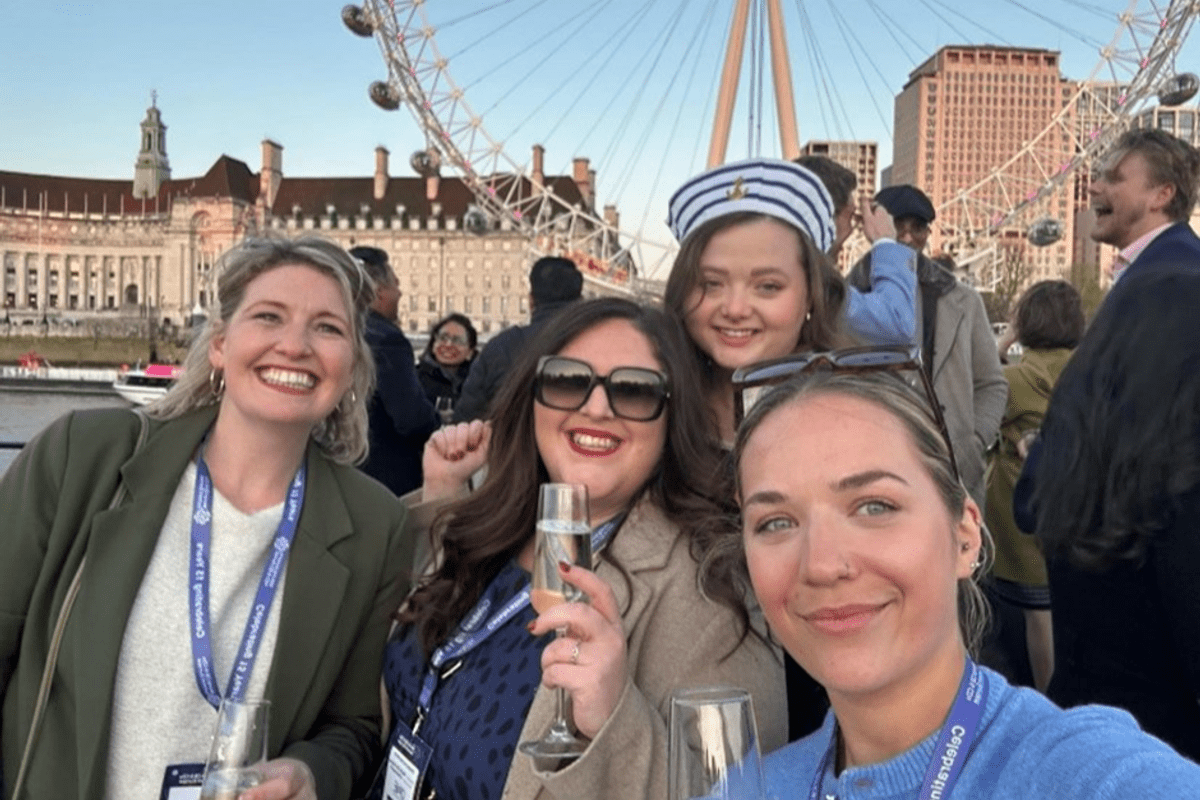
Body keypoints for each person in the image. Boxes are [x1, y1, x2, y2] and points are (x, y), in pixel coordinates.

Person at [1, 236, 414, 800]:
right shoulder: (81, 457)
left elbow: (354, 728)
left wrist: (309, 774)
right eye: (268, 316)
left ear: (352, 369)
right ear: (220, 344)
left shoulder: (376, 527)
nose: (295, 345)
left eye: (327, 328)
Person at [374, 298, 785, 800]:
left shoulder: (714, 591)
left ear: (673, 417)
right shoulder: (491, 525)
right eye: (567, 381)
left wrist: (616, 720)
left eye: (634, 390)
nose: (596, 407)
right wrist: (443, 495)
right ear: (533, 398)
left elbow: (733, 789)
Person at [730, 368, 1200, 799]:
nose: (821, 564)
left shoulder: (1078, 771)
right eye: (775, 522)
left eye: (874, 506)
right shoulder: (749, 789)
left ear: (965, 537)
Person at [1027, 265, 1200, 761]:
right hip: (1166, 752)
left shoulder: (1079, 466)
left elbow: (1025, 509)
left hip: (1081, 727)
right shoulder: (1179, 493)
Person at [850, 184, 1006, 510]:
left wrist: (972, 443)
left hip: (953, 472)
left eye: (918, 228)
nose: (907, 237)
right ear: (876, 227)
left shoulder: (964, 300)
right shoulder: (847, 297)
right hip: (869, 467)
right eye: (898, 226)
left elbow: (991, 383)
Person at [982, 280, 1083, 692]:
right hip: (1073, 500)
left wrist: (1006, 339)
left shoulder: (1017, 378)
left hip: (1018, 502)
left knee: (1033, 617)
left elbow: (981, 386)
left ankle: (1046, 699)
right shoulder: (1085, 367)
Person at [796, 154, 920, 346]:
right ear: (826, 219)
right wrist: (884, 240)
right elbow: (897, 324)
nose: (853, 229)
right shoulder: (815, 288)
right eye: (851, 217)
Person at [349, 245, 439, 497]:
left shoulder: (337, 331)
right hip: (385, 477)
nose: (399, 293)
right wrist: (439, 425)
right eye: (396, 284)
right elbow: (411, 418)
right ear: (379, 292)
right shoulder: (387, 339)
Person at [454, 256, 583, 422]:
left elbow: (467, 416)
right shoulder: (598, 345)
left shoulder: (500, 347)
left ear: (531, 300)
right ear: (581, 301)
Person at [1087, 128, 1200, 286]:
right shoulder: (1152, 268)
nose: (1093, 188)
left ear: (1162, 196)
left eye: (1113, 179)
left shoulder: (1178, 277)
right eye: (1099, 177)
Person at [415, 312, 477, 414]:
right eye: (443, 338)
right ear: (433, 345)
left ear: (470, 352)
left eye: (458, 340)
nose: (448, 344)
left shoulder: (480, 384)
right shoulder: (412, 379)